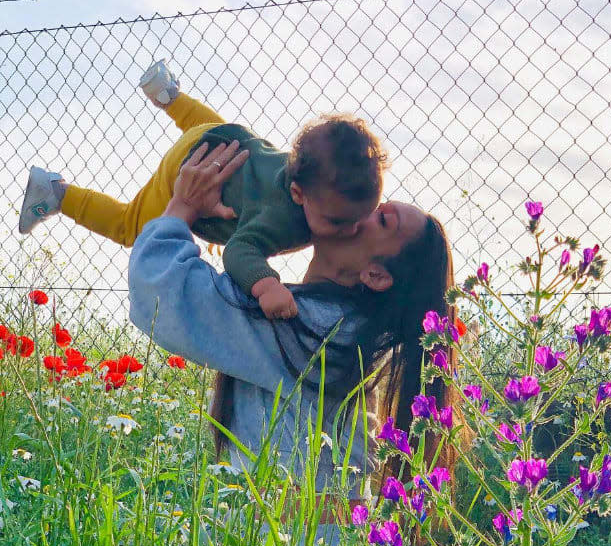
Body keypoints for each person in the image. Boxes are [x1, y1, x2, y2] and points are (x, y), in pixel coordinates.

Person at [128, 138, 459, 524]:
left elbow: (161, 292)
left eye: (382, 218)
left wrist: (182, 207)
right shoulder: (343, 327)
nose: (365, 206)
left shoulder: (318, 328)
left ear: (375, 274)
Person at [19, 60, 389, 320]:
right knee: (129, 226)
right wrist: (266, 285)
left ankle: (169, 96)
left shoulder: (319, 176)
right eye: (338, 221)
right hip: (193, 167)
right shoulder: (283, 218)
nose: (352, 229)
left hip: (220, 137)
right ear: (296, 194)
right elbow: (241, 250)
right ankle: (54, 192)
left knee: (218, 131)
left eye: (363, 218)